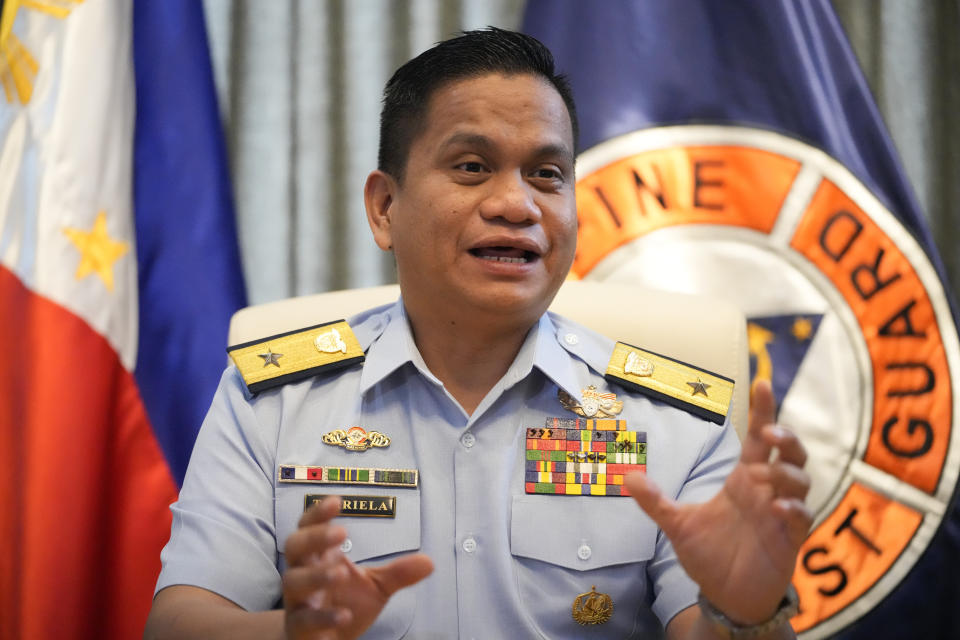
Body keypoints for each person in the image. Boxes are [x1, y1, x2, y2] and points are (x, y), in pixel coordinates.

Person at [144, 28, 812, 639]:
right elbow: (180, 621)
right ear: (384, 208)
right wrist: (292, 632)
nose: (516, 204)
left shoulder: (671, 421)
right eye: (471, 167)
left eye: (547, 175)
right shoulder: (274, 403)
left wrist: (743, 608)